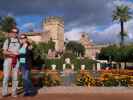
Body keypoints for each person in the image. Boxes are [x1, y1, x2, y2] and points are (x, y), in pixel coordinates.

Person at [2, 27, 20, 97]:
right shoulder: (7, 40)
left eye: (16, 32)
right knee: (6, 77)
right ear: (11, 33)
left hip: (17, 61)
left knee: (15, 77)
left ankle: (14, 92)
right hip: (8, 60)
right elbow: (4, 51)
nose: (14, 33)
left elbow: (21, 52)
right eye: (13, 32)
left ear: (17, 33)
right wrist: (12, 54)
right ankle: (4, 92)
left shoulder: (19, 41)